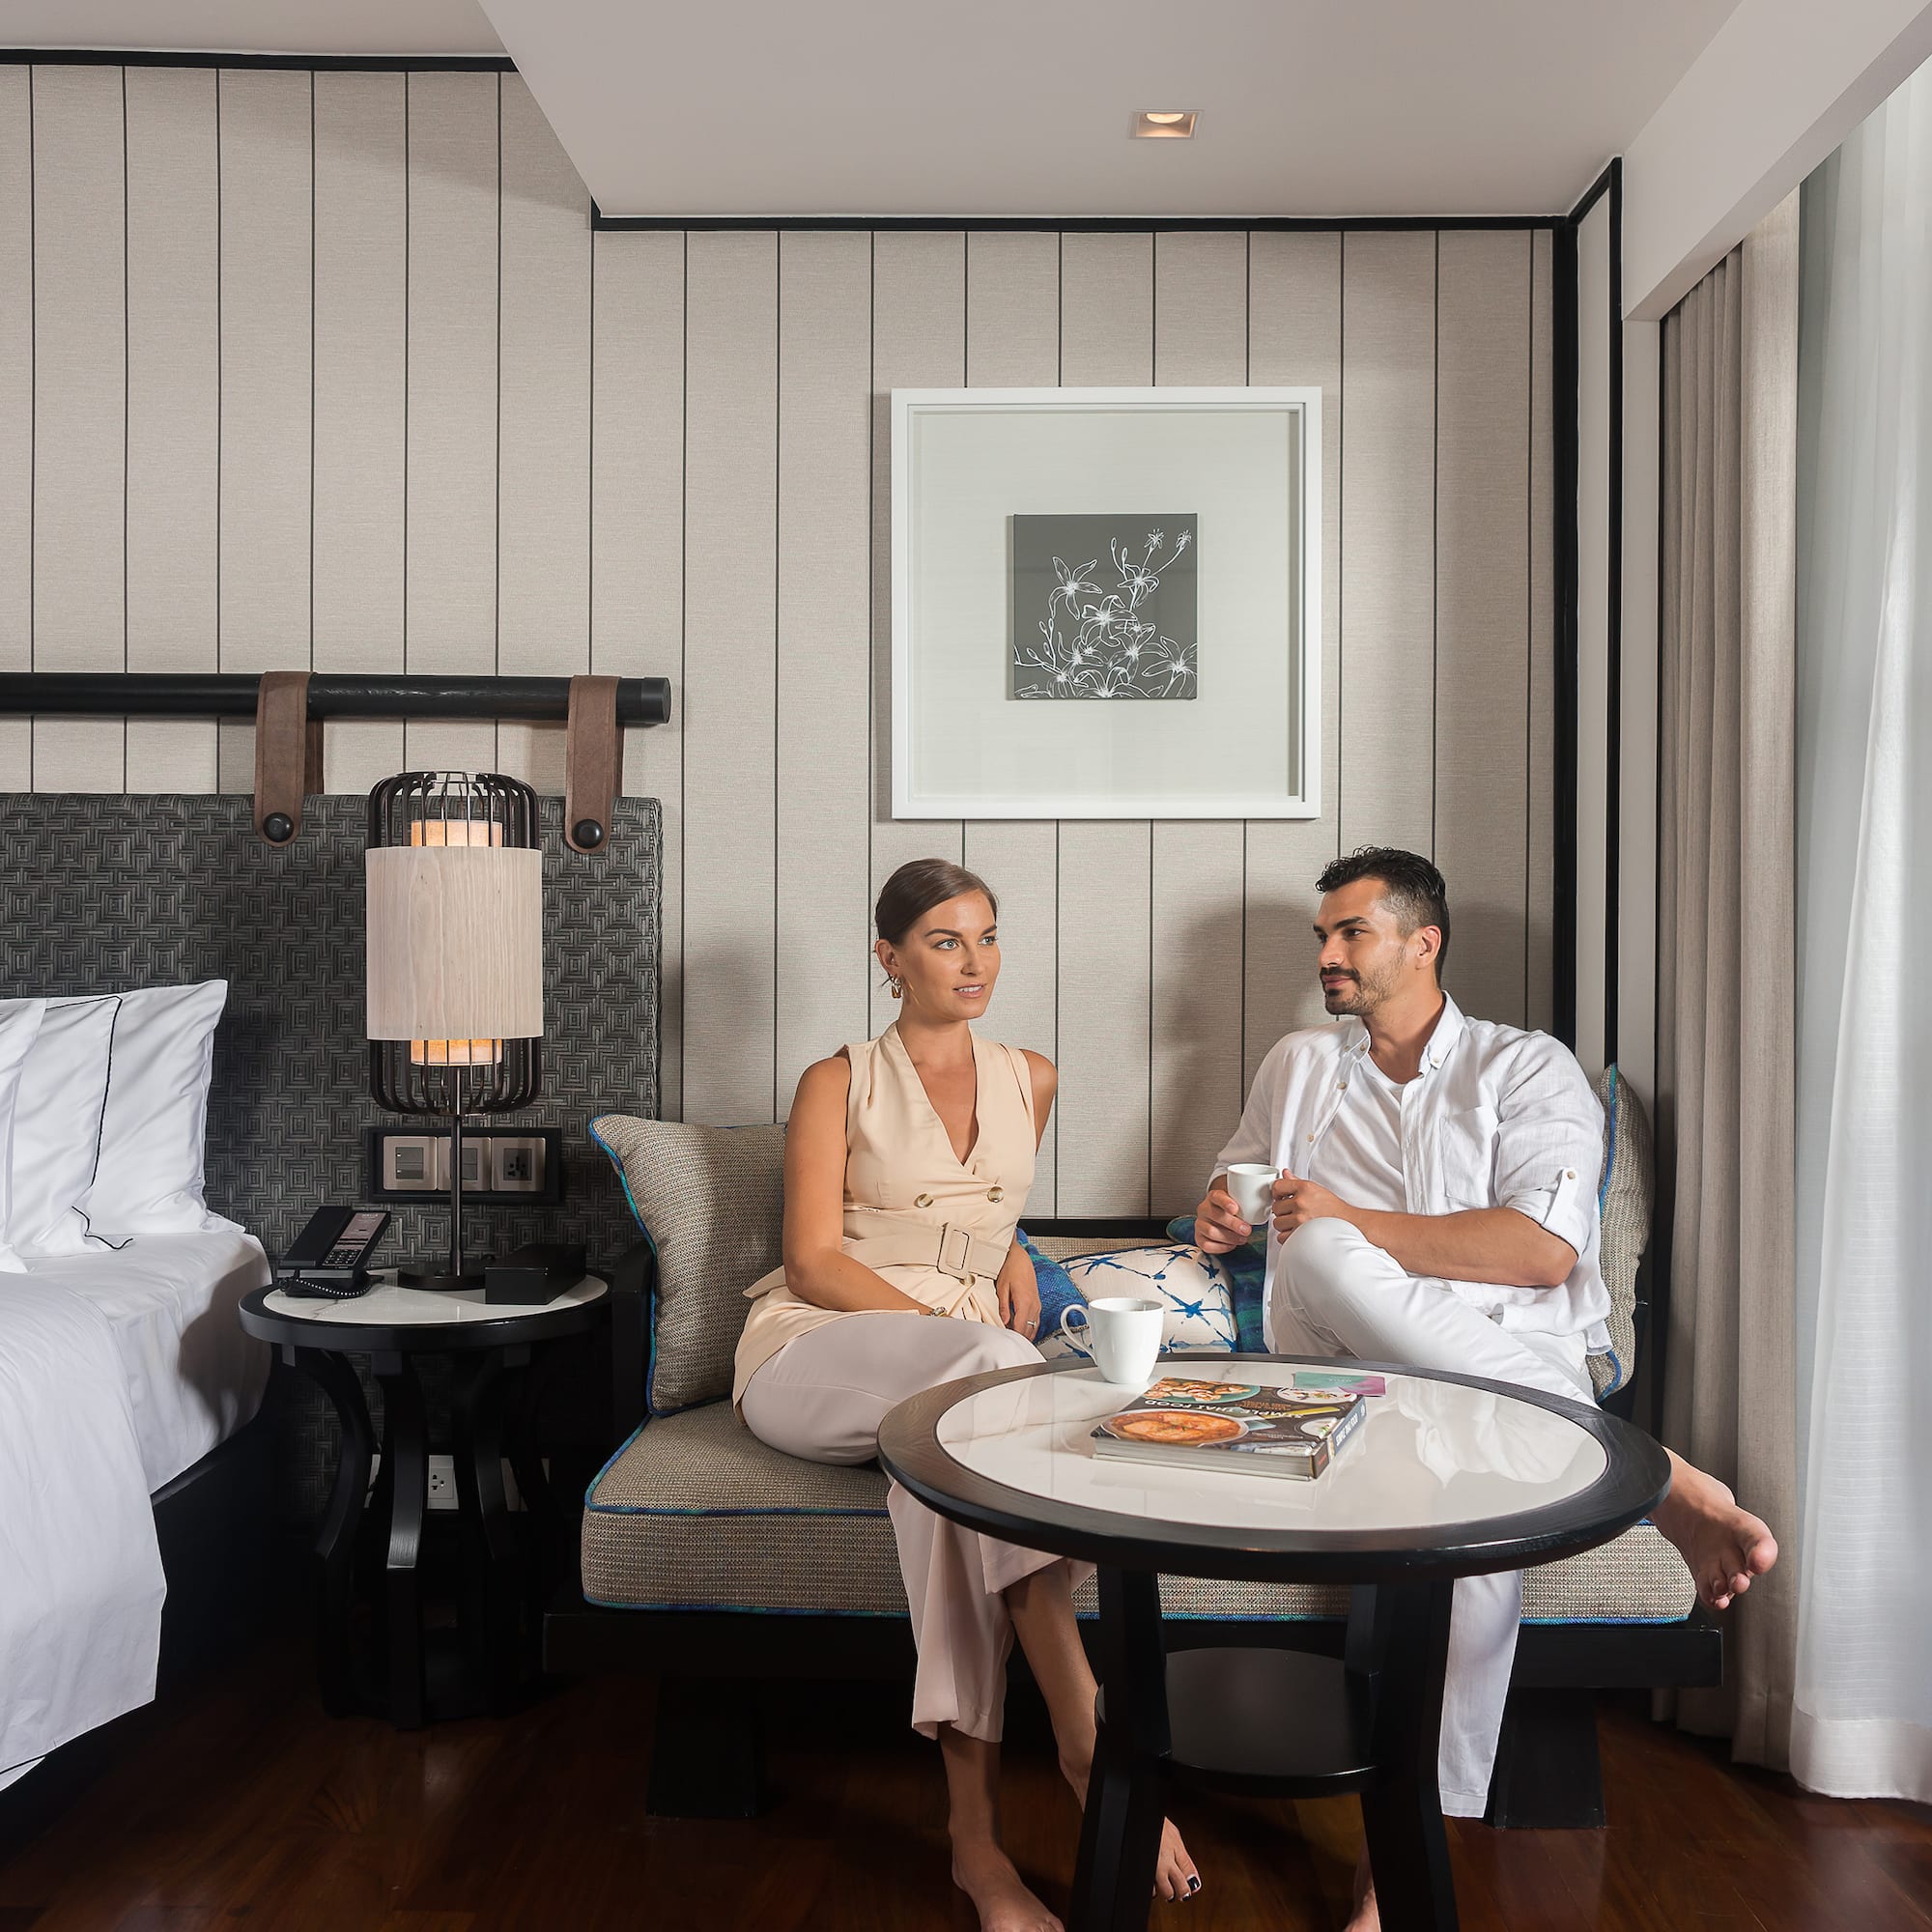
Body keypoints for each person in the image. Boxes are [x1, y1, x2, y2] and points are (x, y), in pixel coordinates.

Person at [1193, 846, 1778, 1932]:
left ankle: (1395, 1858)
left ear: (1424, 941)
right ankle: (1642, 1473)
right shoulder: (1295, 1064)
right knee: (1315, 1257)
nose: (1323, 954)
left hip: (1498, 1378)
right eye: (1320, 936)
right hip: (1339, 1365)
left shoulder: (1526, 1069)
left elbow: (1540, 1254)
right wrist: (1218, 1220)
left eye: (1347, 933)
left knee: (1466, 1523)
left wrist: (1347, 1218)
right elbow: (1233, 1197)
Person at [734, 857, 1200, 1932]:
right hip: (821, 1344)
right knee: (989, 1380)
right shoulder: (832, 1078)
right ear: (888, 958)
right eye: (945, 941)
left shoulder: (1031, 1073)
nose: (974, 961)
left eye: (987, 936)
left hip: (962, 1371)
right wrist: (957, 1326)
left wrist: (1015, 1249)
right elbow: (811, 1259)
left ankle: (977, 1849)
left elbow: (981, 1213)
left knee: (947, 1484)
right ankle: (1089, 1744)